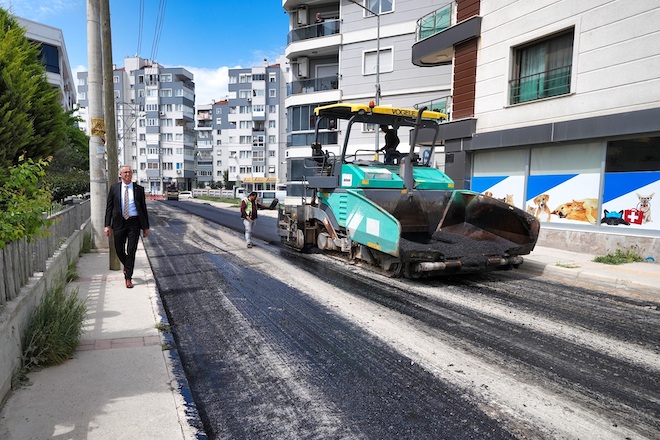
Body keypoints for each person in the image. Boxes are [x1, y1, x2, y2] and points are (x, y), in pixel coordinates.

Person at [104, 165, 150, 289]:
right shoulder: (114, 188)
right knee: (118, 249)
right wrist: (107, 225)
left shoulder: (138, 189)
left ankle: (128, 277)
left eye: (130, 172)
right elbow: (109, 208)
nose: (128, 174)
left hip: (134, 223)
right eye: (125, 172)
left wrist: (146, 227)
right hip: (119, 223)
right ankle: (127, 265)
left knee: (131, 250)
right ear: (121, 174)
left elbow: (143, 209)